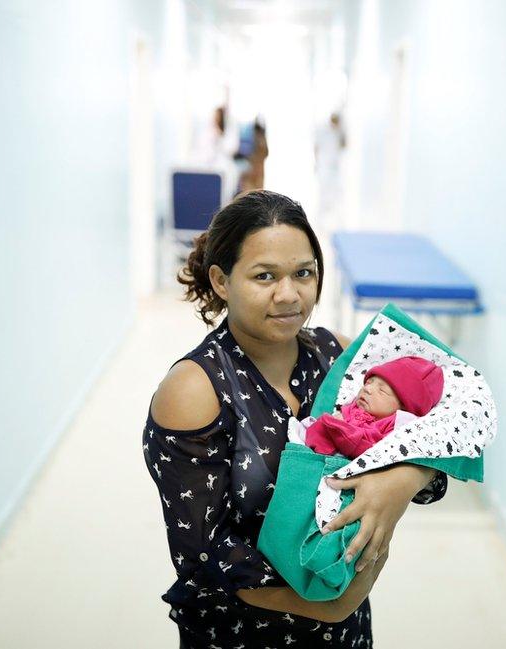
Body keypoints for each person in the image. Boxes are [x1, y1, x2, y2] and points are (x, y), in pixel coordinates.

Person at [142, 190, 448, 647]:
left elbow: (442, 441)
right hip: (243, 634)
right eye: (264, 276)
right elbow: (205, 555)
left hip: (345, 632)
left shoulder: (337, 355)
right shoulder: (197, 390)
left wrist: (401, 481)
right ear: (222, 281)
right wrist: (327, 606)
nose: (289, 295)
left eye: (303, 273)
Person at [299, 355, 444, 459]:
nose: (367, 389)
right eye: (368, 383)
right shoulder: (353, 406)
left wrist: (344, 431)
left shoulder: (395, 426)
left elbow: (378, 450)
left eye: (382, 390)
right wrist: (337, 421)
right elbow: (333, 421)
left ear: (404, 408)